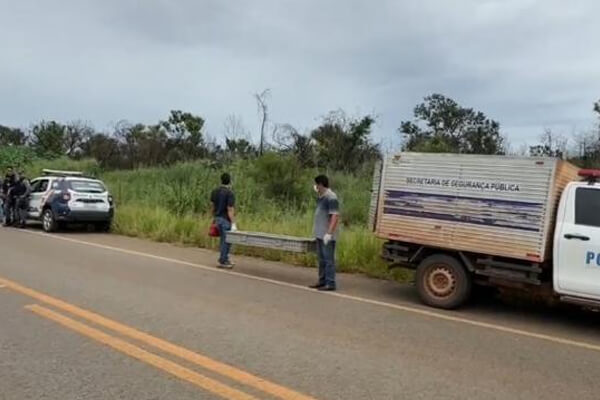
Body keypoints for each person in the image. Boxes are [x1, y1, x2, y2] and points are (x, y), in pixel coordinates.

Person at [309, 174, 340, 291]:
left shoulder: (331, 197)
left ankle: (330, 283)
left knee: (328, 260)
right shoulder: (322, 196)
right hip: (319, 234)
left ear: (321, 184)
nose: (315, 187)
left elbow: (335, 216)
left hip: (327, 235)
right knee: (321, 260)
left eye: (317, 184)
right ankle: (322, 281)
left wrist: (329, 233)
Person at [210, 173, 237, 269]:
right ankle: (223, 260)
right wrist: (233, 223)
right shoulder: (230, 193)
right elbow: (230, 209)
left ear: (221, 180)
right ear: (229, 181)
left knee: (223, 240)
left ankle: (224, 258)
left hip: (217, 218)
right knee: (227, 240)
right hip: (225, 220)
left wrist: (213, 218)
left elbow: (212, 207)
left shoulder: (215, 191)